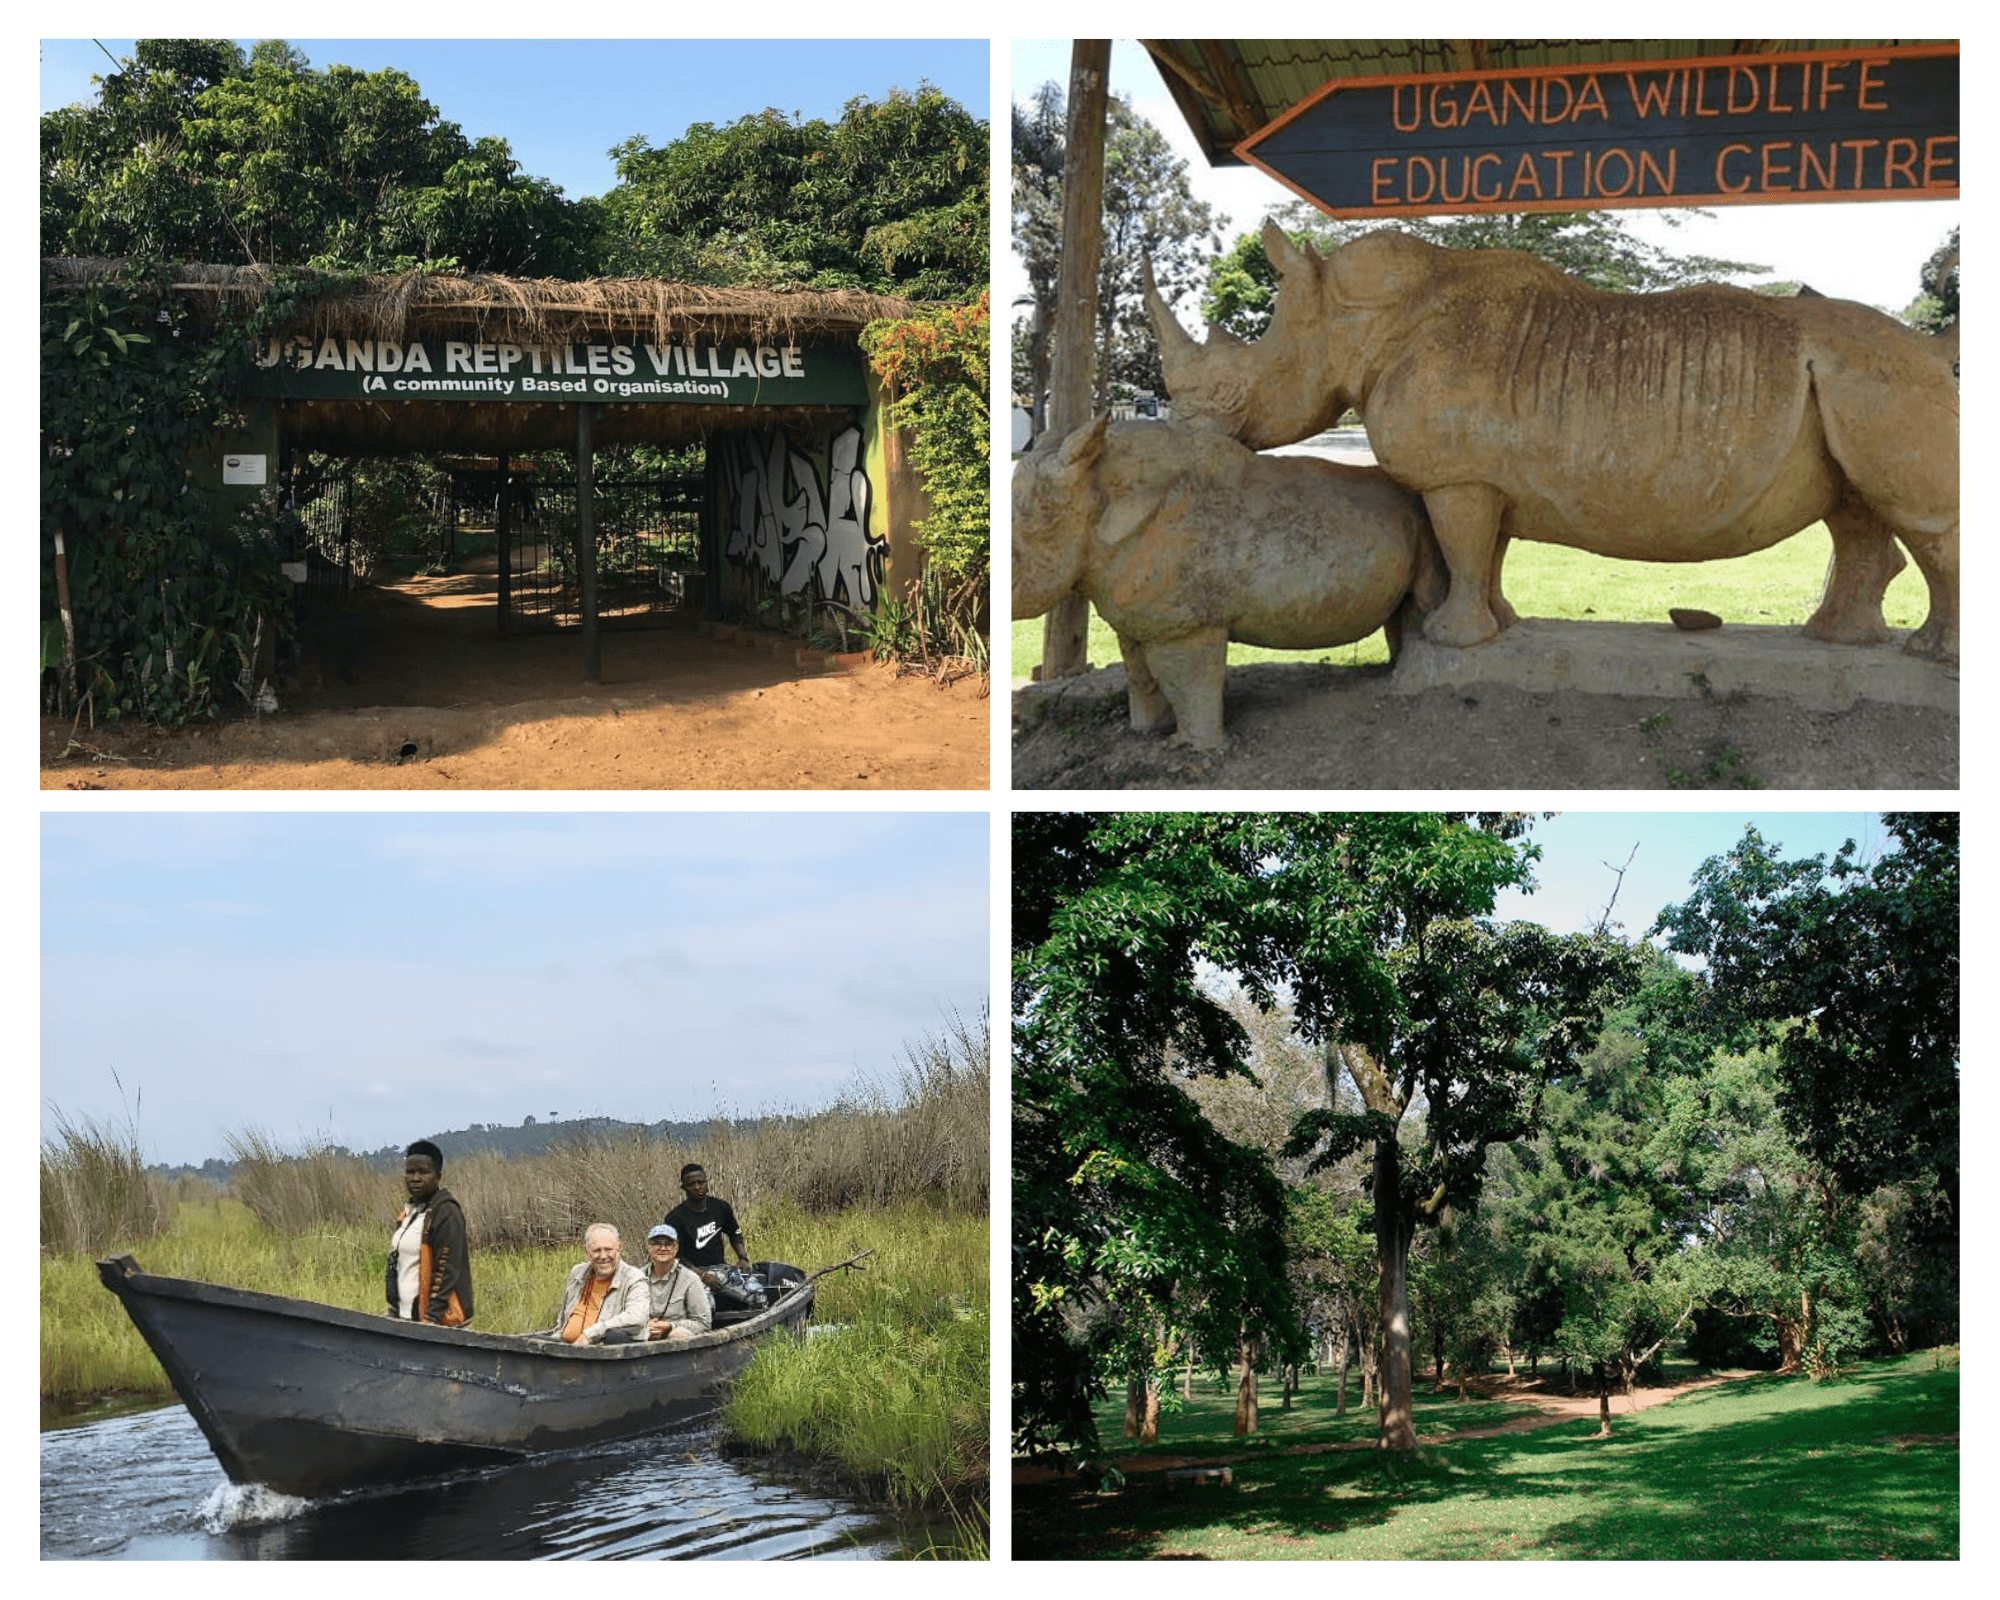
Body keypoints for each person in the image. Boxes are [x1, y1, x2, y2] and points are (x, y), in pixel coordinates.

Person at [386, 1139, 473, 1326]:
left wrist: (432, 1318)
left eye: (423, 1172)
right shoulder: (409, 1213)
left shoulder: (446, 1213)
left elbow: (446, 1268)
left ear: (438, 1176)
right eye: (410, 1172)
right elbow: (400, 1266)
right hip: (407, 1317)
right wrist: (394, 1309)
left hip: (437, 1323)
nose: (415, 1178)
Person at [556, 1223, 650, 1344]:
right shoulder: (577, 1273)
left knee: (616, 1336)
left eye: (608, 1249)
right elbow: (562, 1317)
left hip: (605, 1353)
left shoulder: (634, 1278)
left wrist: (590, 1334)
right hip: (565, 1349)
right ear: (587, 1252)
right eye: (596, 1250)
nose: (603, 1256)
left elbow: (637, 1318)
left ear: (619, 1249)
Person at [662, 1163, 750, 1286]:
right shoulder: (675, 1218)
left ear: (707, 1183)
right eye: (691, 1184)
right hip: (690, 1276)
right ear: (684, 1188)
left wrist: (743, 1258)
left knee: (753, 1292)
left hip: (720, 1270)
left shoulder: (720, 1207)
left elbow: (734, 1233)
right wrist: (701, 1275)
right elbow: (674, 1258)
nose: (697, 1187)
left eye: (701, 1182)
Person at [640, 1223, 712, 1341]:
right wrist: (644, 1327)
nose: (663, 1248)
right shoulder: (637, 1278)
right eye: (657, 1243)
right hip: (644, 1337)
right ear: (649, 1248)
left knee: (679, 1334)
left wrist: (670, 1326)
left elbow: (703, 1323)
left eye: (668, 1244)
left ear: (676, 1248)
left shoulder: (690, 1279)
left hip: (677, 1344)